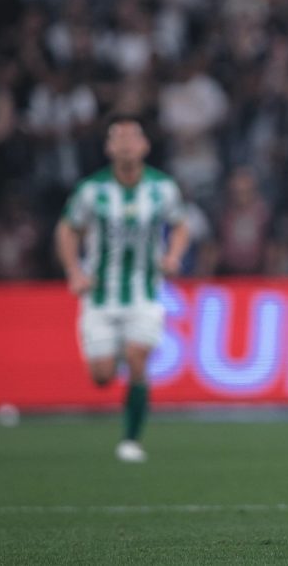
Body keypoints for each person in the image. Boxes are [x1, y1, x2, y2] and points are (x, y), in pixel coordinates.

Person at [55, 113, 189, 463]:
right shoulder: (91, 190)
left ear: (144, 146)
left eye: (133, 137)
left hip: (144, 292)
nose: (127, 144)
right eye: (120, 138)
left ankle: (131, 440)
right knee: (101, 376)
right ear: (109, 148)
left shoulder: (163, 187)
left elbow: (180, 225)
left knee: (137, 358)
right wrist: (74, 271)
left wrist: (173, 256)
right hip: (100, 294)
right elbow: (67, 229)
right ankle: (111, 352)